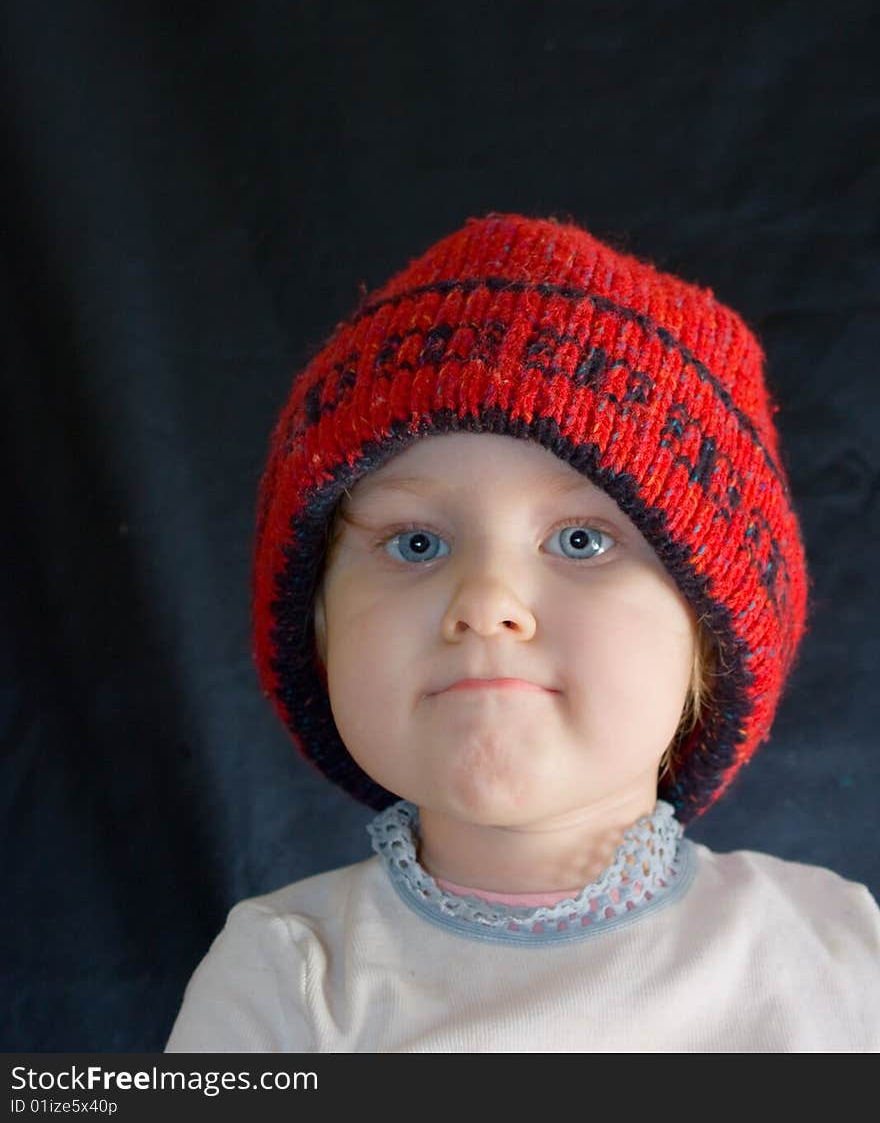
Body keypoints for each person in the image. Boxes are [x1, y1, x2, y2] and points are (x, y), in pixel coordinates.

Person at [165, 210, 880, 1052]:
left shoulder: (838, 951)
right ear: (317, 634)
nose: (486, 600)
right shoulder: (288, 979)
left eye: (582, 541)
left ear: (711, 645)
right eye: (415, 543)